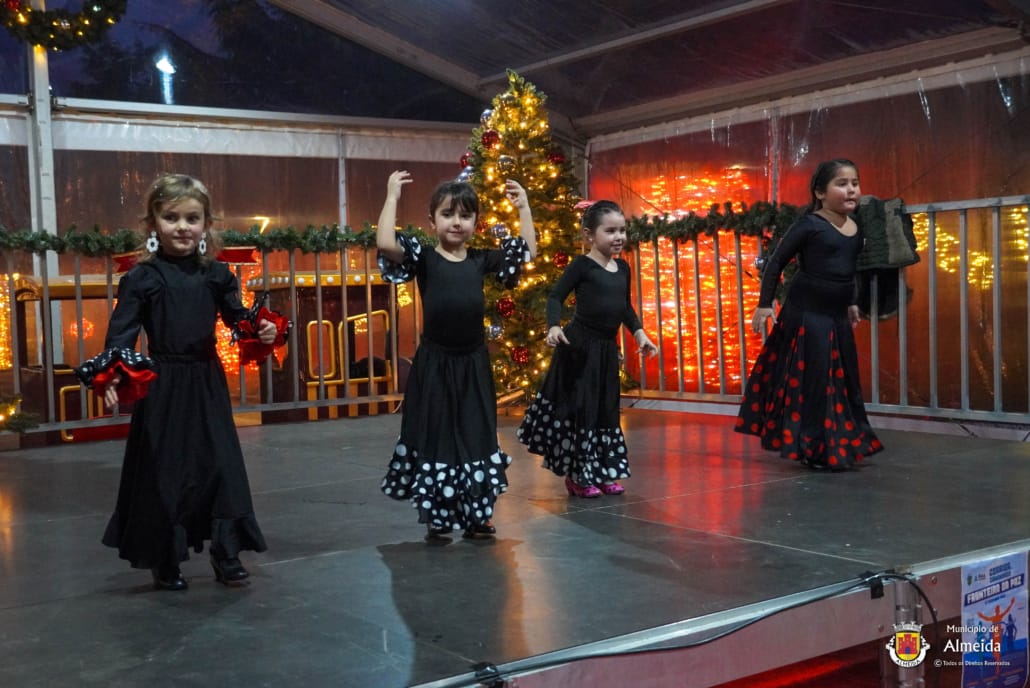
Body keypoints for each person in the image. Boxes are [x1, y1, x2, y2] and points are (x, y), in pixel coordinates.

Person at [75, 174, 283, 590]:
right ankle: (165, 557)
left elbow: (237, 318)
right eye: (171, 217)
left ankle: (226, 553)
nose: (183, 227)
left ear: (207, 224)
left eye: (192, 218)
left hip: (206, 379)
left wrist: (258, 329)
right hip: (163, 384)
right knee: (165, 469)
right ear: (153, 223)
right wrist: (113, 371)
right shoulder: (142, 278)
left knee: (219, 463)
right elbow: (121, 334)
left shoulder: (218, 275)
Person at [376, 171, 536, 542]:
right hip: (435, 364)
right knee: (437, 436)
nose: (457, 222)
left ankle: (479, 515)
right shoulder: (425, 259)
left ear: (476, 223)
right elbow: (385, 241)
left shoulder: (480, 260)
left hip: (472, 364)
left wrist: (524, 207)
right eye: (448, 214)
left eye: (465, 215)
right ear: (432, 221)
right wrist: (391, 197)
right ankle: (438, 515)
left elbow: (527, 250)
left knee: (477, 435)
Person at [736, 158, 883, 469]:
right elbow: (776, 262)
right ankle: (812, 444)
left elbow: (850, 269)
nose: (851, 190)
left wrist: (853, 300)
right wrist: (765, 304)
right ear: (820, 192)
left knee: (843, 378)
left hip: (836, 314)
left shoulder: (855, 228)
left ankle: (845, 438)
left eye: (854, 183)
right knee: (814, 379)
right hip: (807, 314)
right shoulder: (809, 225)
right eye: (841, 184)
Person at [517, 200, 657, 498]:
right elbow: (555, 297)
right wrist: (554, 326)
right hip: (579, 348)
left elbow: (624, 307)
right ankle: (579, 474)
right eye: (610, 231)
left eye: (622, 230)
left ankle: (604, 471)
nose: (618, 236)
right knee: (582, 410)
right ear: (590, 235)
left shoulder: (623, 268)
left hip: (605, 351)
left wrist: (640, 333)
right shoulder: (582, 266)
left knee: (605, 410)